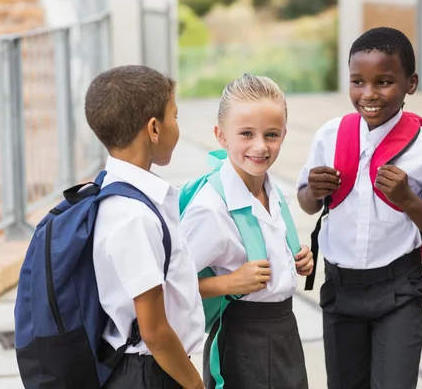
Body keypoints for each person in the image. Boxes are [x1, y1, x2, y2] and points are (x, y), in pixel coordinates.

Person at [296, 27, 422, 389]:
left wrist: (408, 201)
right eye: (358, 82)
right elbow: (307, 203)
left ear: (410, 84)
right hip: (340, 291)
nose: (368, 94)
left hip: (398, 292)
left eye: (384, 82)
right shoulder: (330, 135)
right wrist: (313, 191)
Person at [180, 73, 314, 389]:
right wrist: (229, 282)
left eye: (271, 135)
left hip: (285, 332)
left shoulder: (272, 190)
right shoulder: (211, 207)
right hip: (241, 342)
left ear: (284, 133)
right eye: (246, 134)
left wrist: (295, 259)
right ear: (221, 135)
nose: (260, 146)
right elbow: (167, 282)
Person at [87, 65, 205, 389]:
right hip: (150, 373)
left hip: (147, 367)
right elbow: (153, 331)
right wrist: (195, 384)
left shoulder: (114, 189)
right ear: (154, 128)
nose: (177, 126)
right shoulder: (133, 217)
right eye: (175, 116)